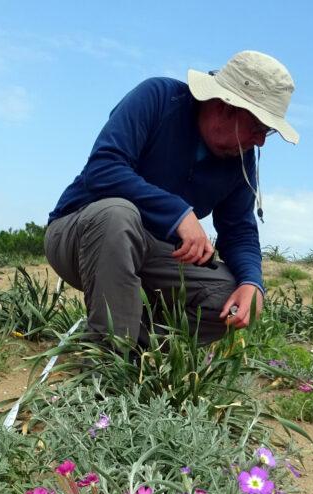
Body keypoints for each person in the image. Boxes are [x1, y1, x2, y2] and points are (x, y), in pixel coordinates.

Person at [45, 50, 299, 346]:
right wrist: (177, 214)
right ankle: (109, 359)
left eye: (265, 133)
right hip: (80, 235)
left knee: (226, 296)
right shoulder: (158, 98)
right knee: (118, 215)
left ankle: (138, 349)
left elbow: (239, 230)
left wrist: (252, 283)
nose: (258, 141)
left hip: (154, 256)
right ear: (226, 107)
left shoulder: (241, 157)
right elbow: (102, 169)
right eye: (257, 128)